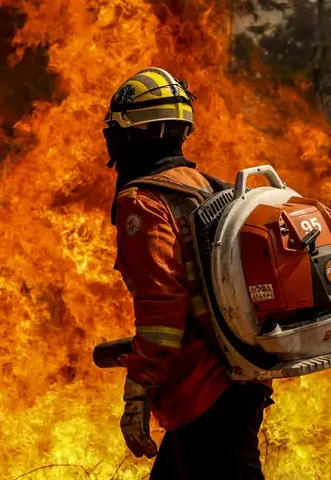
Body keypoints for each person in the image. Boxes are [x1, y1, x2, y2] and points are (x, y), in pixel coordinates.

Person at [103, 67, 274, 479]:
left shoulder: (144, 203)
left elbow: (162, 311)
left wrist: (138, 393)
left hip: (203, 390)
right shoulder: (204, 186)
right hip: (241, 377)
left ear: (133, 135)